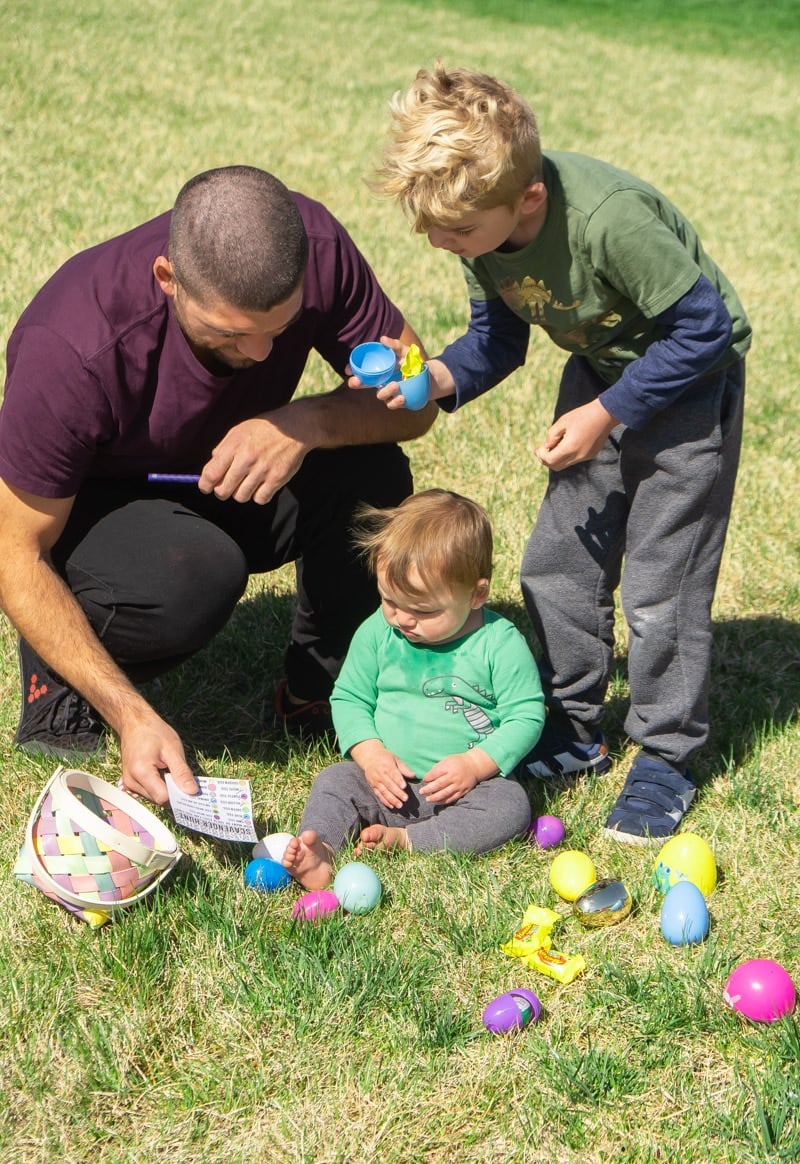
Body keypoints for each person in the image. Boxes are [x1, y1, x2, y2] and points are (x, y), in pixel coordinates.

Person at [367, 63, 751, 846]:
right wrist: (433, 380)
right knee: (556, 564)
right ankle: (573, 727)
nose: (437, 241)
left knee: (660, 582)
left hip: (688, 387)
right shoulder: (482, 225)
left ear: (528, 198)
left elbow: (703, 328)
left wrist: (607, 414)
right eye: (431, 228)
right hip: (601, 378)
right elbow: (495, 339)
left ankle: (669, 755)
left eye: (455, 231)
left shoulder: (611, 221)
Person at [0, 165, 436, 805]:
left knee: (373, 473)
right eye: (232, 333)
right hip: (96, 510)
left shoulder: (315, 247)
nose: (261, 355)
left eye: (280, 328)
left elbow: (416, 403)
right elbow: (16, 554)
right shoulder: (70, 345)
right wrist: (130, 713)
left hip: (228, 468)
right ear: (168, 279)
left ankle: (319, 686)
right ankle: (59, 682)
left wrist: (303, 421)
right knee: (198, 575)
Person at [281, 489, 545, 890]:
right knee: (335, 781)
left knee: (510, 805)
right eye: (389, 600)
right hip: (386, 783)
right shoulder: (378, 631)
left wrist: (476, 765)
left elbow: (526, 713)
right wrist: (370, 755)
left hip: (465, 790)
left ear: (477, 593)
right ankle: (322, 853)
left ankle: (409, 840)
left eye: (423, 610)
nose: (402, 618)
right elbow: (350, 697)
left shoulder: (499, 642)